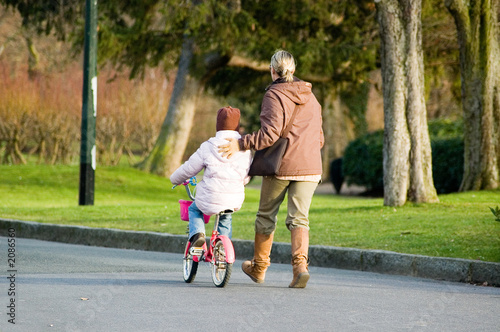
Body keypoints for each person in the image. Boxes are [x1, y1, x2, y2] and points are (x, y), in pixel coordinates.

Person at [219, 50, 324, 288]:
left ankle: (259, 267)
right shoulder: (311, 96)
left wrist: (240, 143)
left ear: (272, 69)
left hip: (282, 165)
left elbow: (269, 135)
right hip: (310, 166)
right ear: (293, 70)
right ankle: (300, 267)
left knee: (266, 216)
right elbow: (320, 138)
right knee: (300, 218)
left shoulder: (274, 95)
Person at [170, 106, 252, 247]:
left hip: (210, 195)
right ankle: (222, 248)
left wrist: (175, 179)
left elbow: (189, 168)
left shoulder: (208, 146)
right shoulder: (244, 149)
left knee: (194, 209)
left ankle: (198, 234)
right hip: (233, 197)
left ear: (218, 125)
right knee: (225, 218)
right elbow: (246, 175)